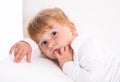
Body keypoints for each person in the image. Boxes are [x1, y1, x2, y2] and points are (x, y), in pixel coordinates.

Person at [9, 8, 120, 82]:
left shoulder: (83, 44)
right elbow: (38, 49)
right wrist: (27, 44)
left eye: (54, 33)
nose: (50, 44)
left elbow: (95, 79)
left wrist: (67, 64)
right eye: (44, 42)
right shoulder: (57, 52)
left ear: (71, 28)